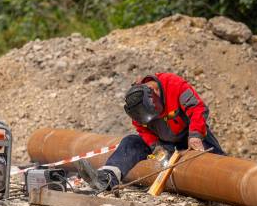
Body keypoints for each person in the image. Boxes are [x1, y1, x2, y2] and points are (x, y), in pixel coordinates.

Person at [77, 73, 224, 191]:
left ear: (155, 93)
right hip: (164, 143)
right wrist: (156, 147)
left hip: (190, 136)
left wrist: (196, 135)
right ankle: (107, 178)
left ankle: (228, 185)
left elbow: (197, 108)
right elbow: (142, 129)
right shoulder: (137, 107)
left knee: (219, 166)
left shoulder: (175, 84)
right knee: (131, 142)